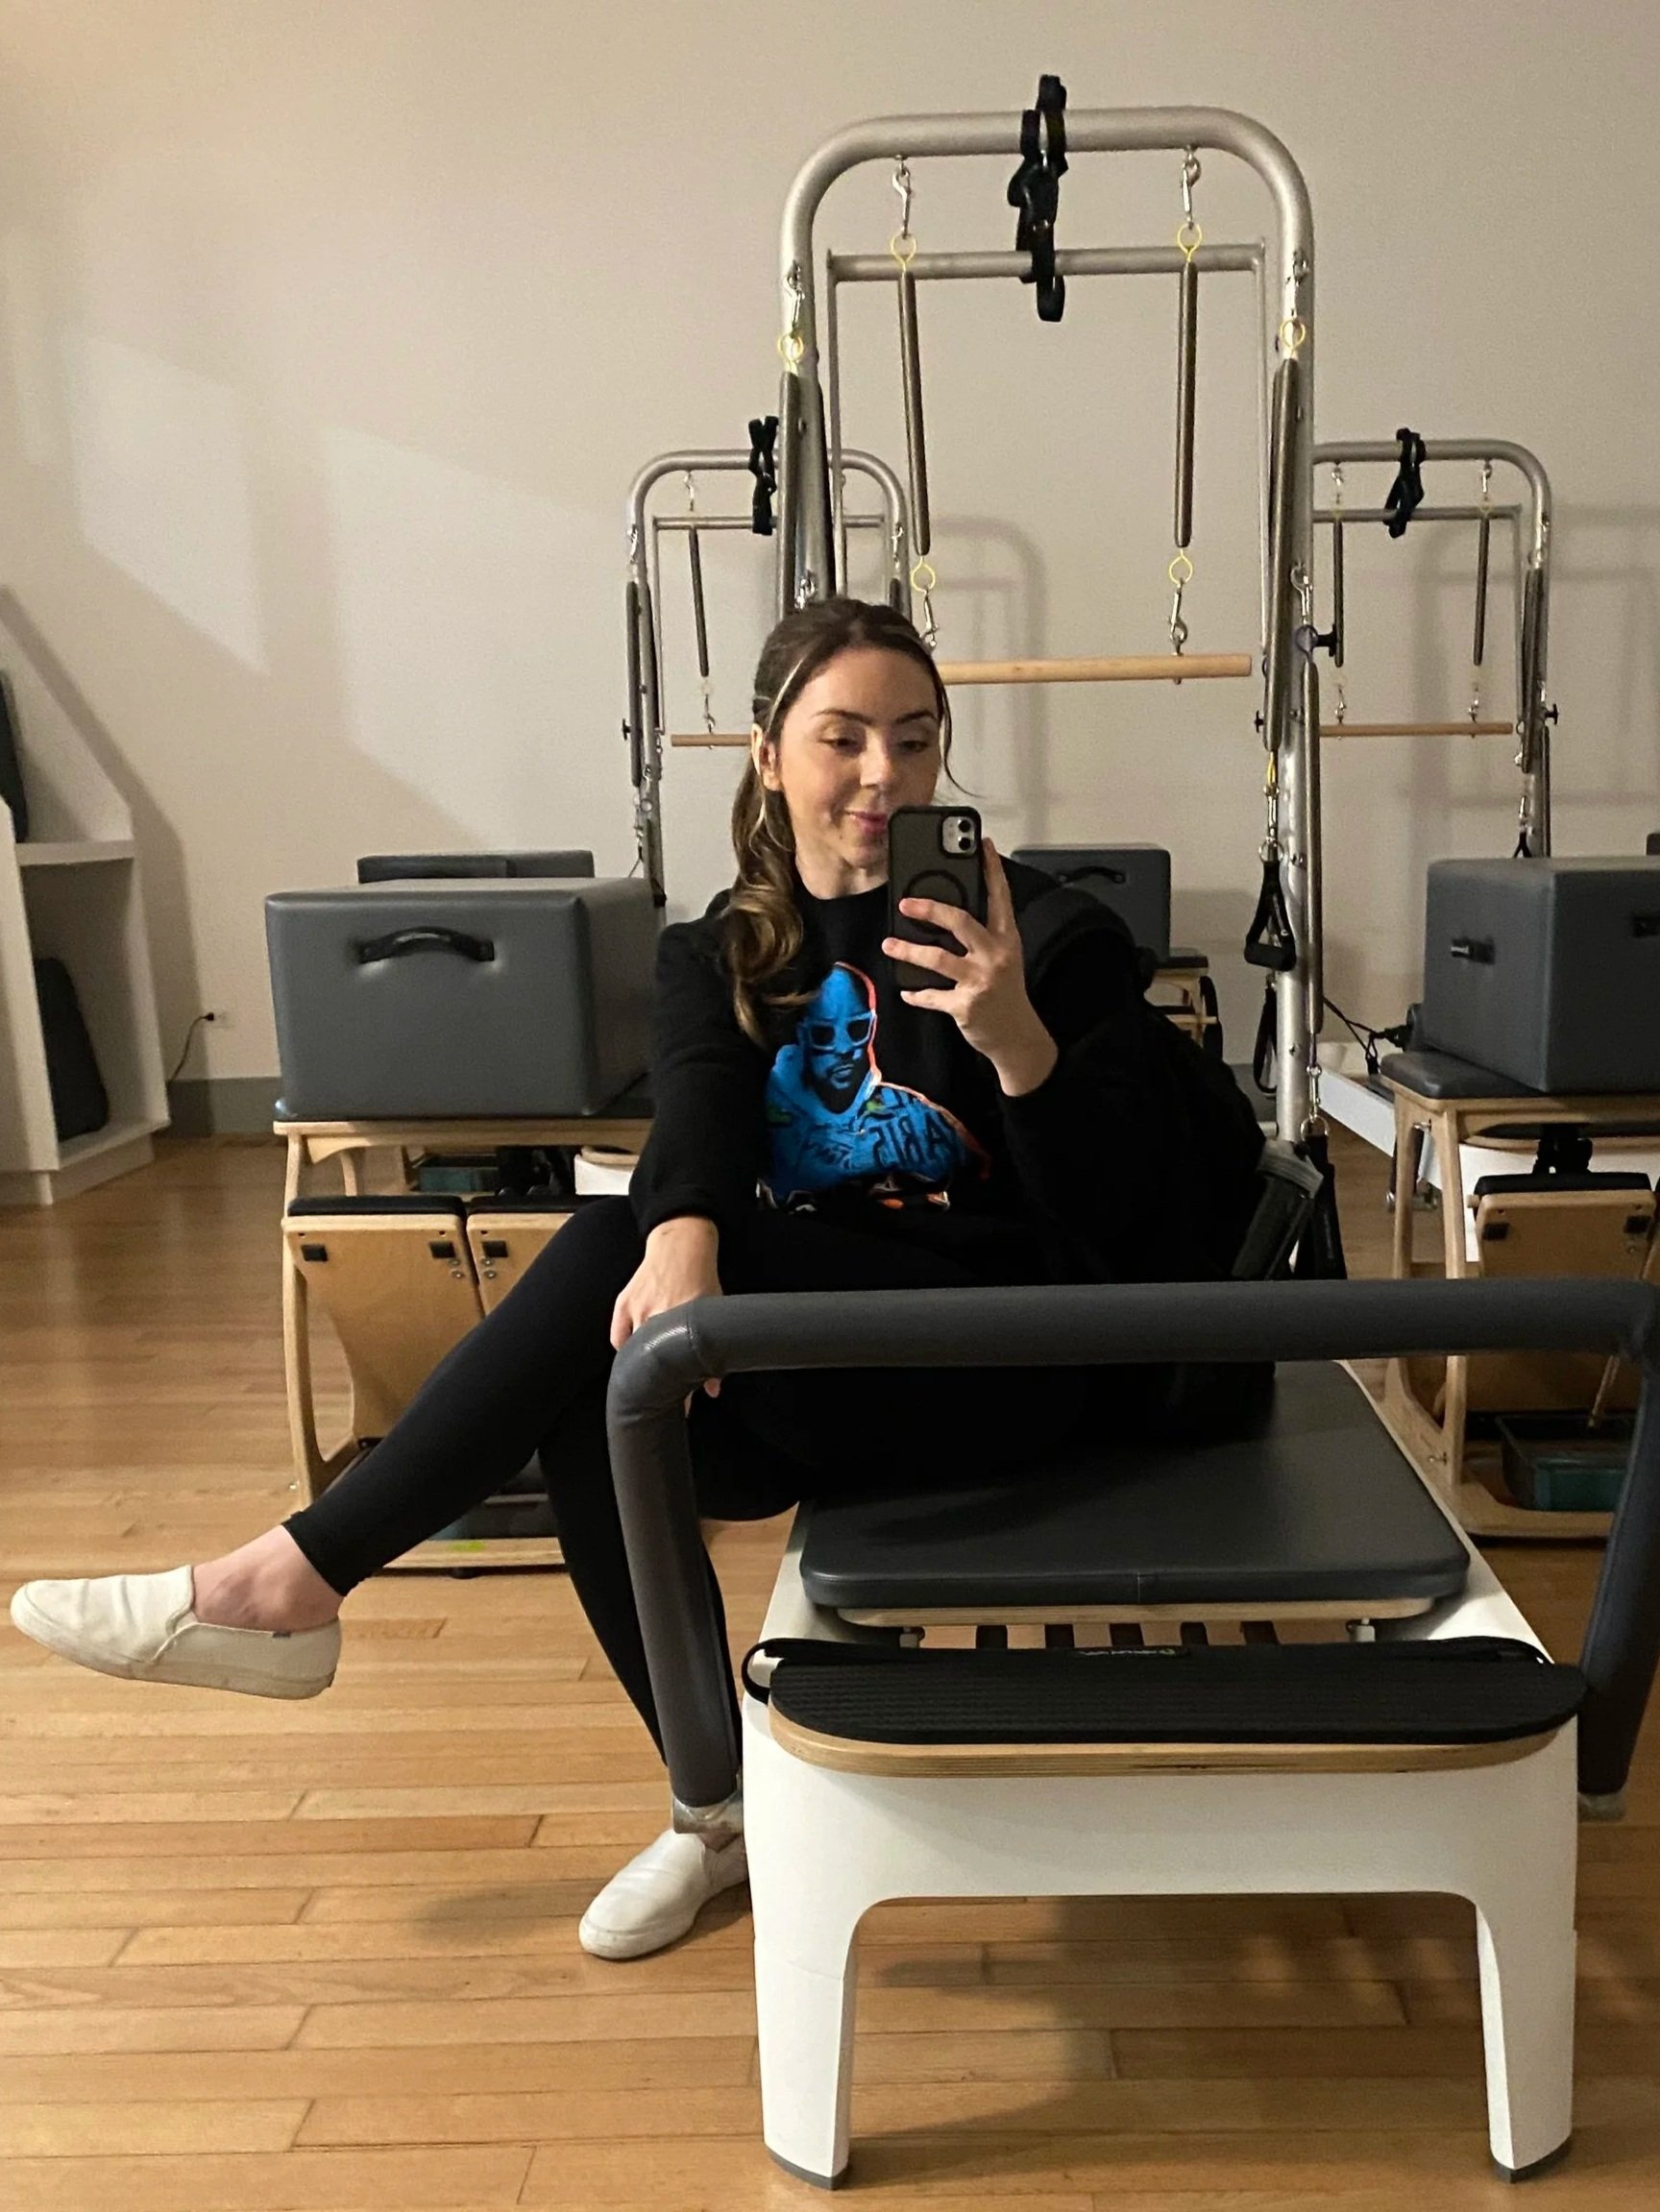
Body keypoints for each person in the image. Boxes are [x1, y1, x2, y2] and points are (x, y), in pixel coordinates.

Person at [11, 598, 1265, 1959]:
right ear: (768, 754)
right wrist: (684, 1229)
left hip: (1029, 1364)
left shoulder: (1056, 941)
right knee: (594, 1372)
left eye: (913, 741)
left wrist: (1017, 1040)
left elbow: (1129, 1231)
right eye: (841, 738)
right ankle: (713, 1810)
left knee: (607, 1275)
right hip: (839, 1373)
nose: (882, 777)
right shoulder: (722, 952)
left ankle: (294, 1583)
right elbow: (704, 1114)